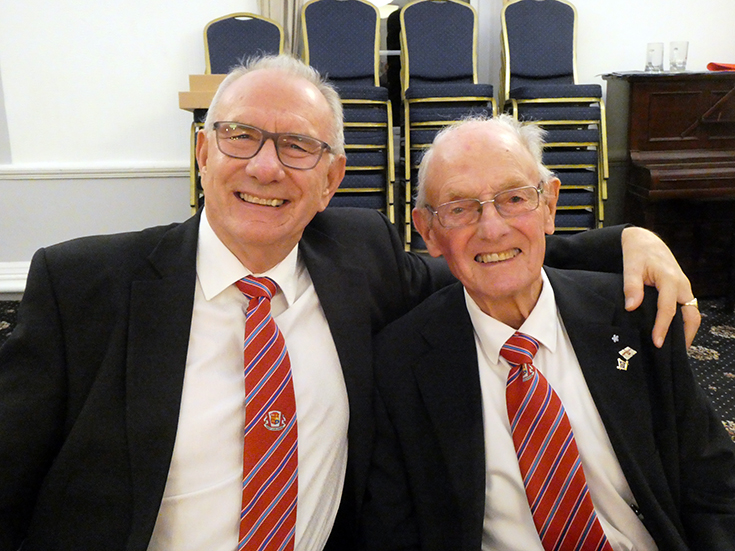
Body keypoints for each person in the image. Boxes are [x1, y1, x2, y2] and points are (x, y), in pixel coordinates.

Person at [0, 55, 698, 551]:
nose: (265, 166)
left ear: (332, 178)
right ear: (203, 153)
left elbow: (483, 253)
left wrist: (627, 239)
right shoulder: (83, 284)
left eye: (297, 146)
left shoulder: (360, 258)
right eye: (240, 136)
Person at [359, 115, 735, 551]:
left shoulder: (636, 317)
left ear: (549, 205)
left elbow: (714, 489)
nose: (492, 228)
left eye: (514, 198)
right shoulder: (397, 366)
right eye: (459, 209)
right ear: (428, 231)